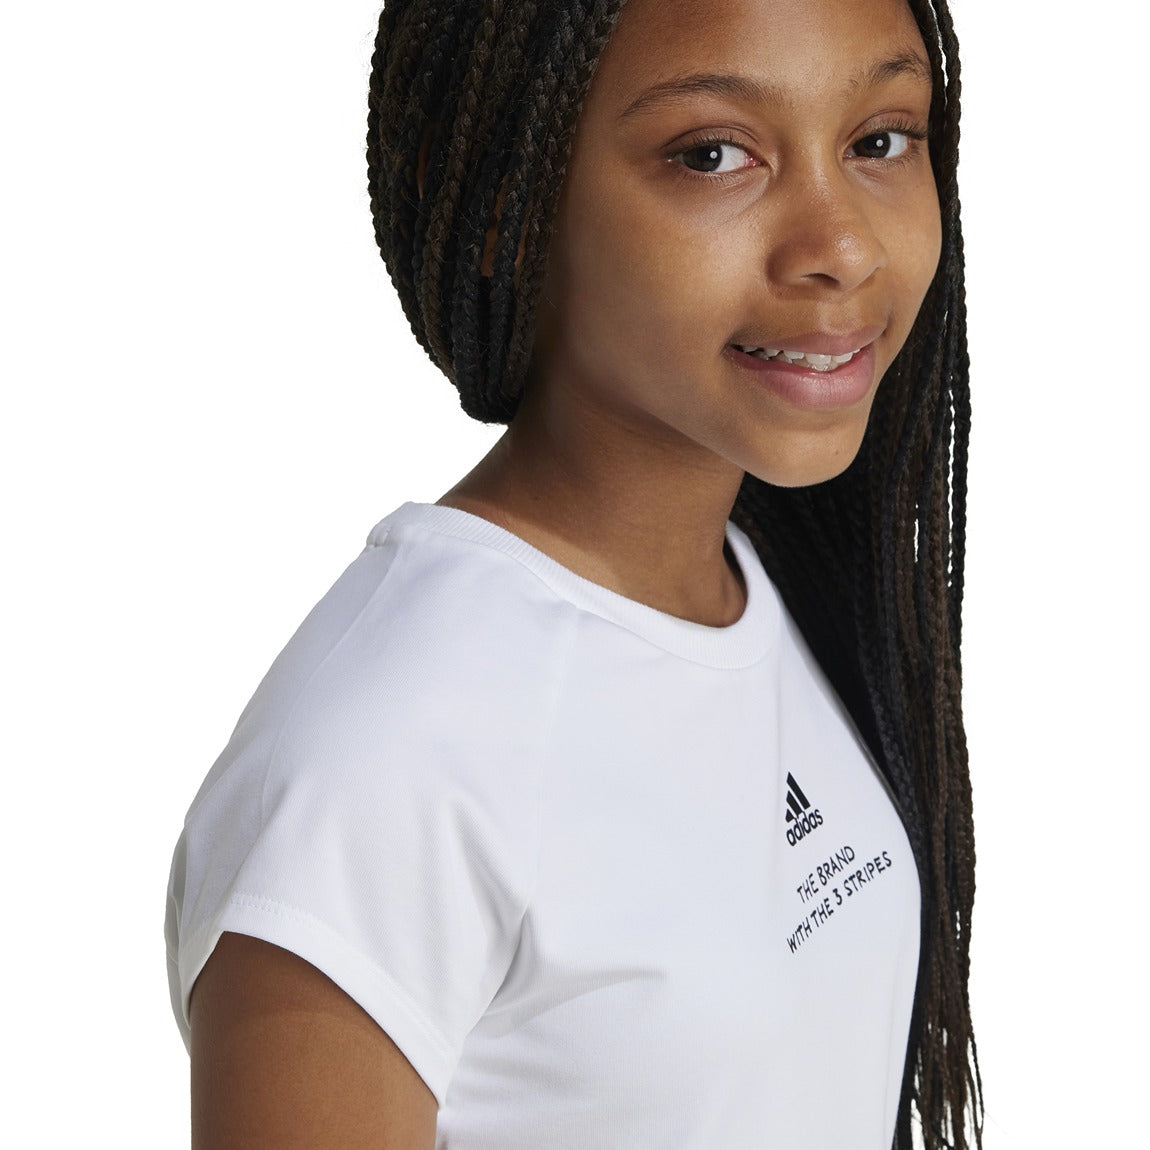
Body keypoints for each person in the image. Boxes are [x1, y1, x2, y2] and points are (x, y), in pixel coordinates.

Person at [165, 0, 981, 1146]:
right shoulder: (381, 760)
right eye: (712, 155)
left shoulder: (763, 587)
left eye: (878, 140)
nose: (841, 246)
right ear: (509, 198)